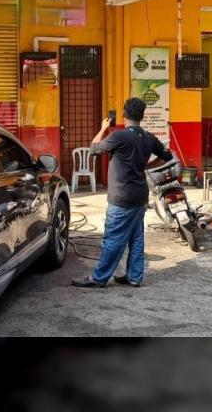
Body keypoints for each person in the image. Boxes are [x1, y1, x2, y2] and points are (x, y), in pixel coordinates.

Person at [71, 97, 173, 289]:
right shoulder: (149, 137)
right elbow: (167, 156)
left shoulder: (119, 136)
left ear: (124, 114)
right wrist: (145, 166)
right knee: (136, 238)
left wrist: (103, 128)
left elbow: (93, 149)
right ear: (142, 116)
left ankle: (98, 278)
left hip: (121, 197)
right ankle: (134, 277)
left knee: (113, 239)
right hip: (139, 196)